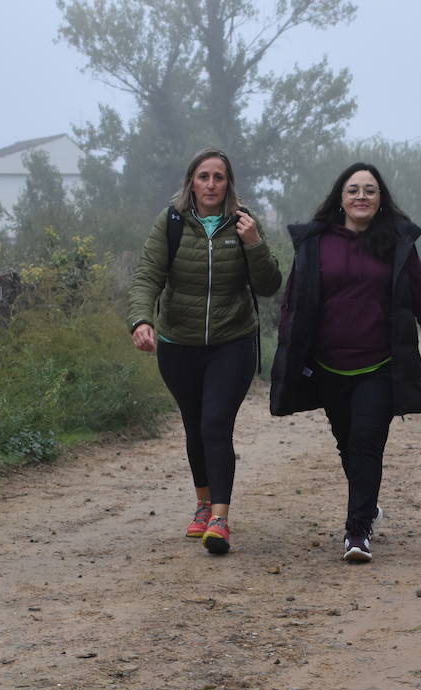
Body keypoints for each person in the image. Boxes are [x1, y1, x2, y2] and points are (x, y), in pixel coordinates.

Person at [270, 162, 421, 563]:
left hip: (380, 366)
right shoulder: (315, 243)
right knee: (347, 444)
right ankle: (367, 503)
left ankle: (357, 531)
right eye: (353, 190)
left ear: (381, 201)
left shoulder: (397, 245)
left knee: (366, 443)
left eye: (370, 190)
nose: (361, 196)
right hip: (328, 367)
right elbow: (293, 303)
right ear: (340, 199)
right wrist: (288, 357)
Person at [127, 148, 283, 555]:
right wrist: (141, 320)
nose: (211, 184)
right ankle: (201, 502)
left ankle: (220, 518)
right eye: (203, 177)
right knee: (195, 424)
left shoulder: (245, 222)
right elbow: (147, 276)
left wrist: (253, 244)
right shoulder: (172, 222)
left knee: (215, 422)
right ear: (190, 182)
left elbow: (269, 285)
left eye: (219, 177)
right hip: (179, 344)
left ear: (229, 183)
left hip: (233, 342)